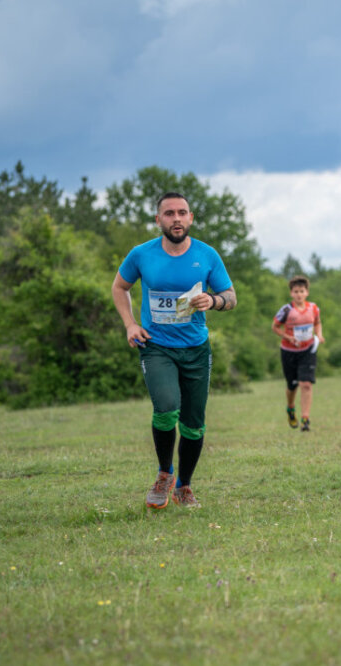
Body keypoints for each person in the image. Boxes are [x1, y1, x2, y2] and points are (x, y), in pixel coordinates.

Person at [111, 191, 236, 509]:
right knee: (166, 408)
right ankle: (164, 474)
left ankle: (185, 486)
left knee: (194, 423)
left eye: (182, 212)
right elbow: (120, 287)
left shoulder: (207, 255)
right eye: (169, 213)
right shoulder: (141, 255)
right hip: (156, 347)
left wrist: (214, 301)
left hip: (195, 349)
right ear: (158, 220)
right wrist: (129, 324)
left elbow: (230, 296)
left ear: (191, 217)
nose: (176, 218)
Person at [272, 274, 325, 431]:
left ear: (307, 292)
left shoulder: (313, 308)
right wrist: (288, 337)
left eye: (302, 291)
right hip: (288, 351)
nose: (299, 294)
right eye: (296, 291)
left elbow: (317, 322)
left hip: (308, 350)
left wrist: (319, 335)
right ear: (291, 293)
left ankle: (305, 419)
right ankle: (290, 408)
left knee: (306, 384)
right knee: (292, 385)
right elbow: (274, 327)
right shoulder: (286, 310)